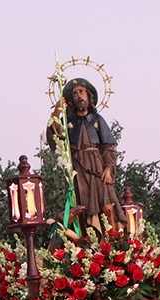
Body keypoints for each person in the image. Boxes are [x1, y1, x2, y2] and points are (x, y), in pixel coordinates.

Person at [46, 78, 125, 237]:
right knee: (84, 207)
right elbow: (54, 136)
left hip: (98, 168)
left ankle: (111, 241)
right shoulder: (67, 121)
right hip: (79, 169)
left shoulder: (97, 120)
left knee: (107, 206)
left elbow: (109, 147)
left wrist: (109, 168)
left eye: (81, 92)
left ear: (89, 96)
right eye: (75, 94)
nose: (79, 96)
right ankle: (90, 240)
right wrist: (56, 112)